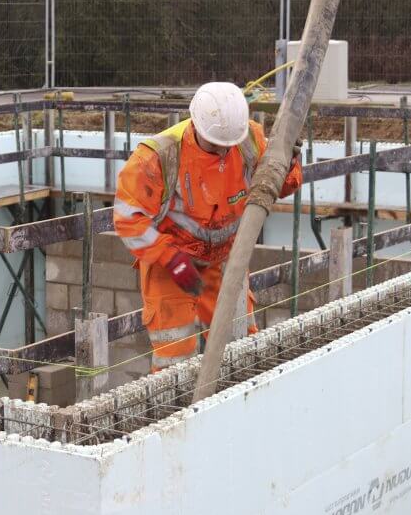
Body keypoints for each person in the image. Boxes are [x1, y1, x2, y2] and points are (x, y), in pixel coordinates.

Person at [113, 82, 302, 372]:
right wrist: (170, 259)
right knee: (173, 359)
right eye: (216, 145)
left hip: (225, 261)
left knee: (239, 350)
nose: (224, 152)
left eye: (229, 146)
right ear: (197, 127)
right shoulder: (159, 157)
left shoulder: (247, 139)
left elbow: (277, 185)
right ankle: (178, 413)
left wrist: (287, 163)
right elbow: (128, 218)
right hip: (172, 265)